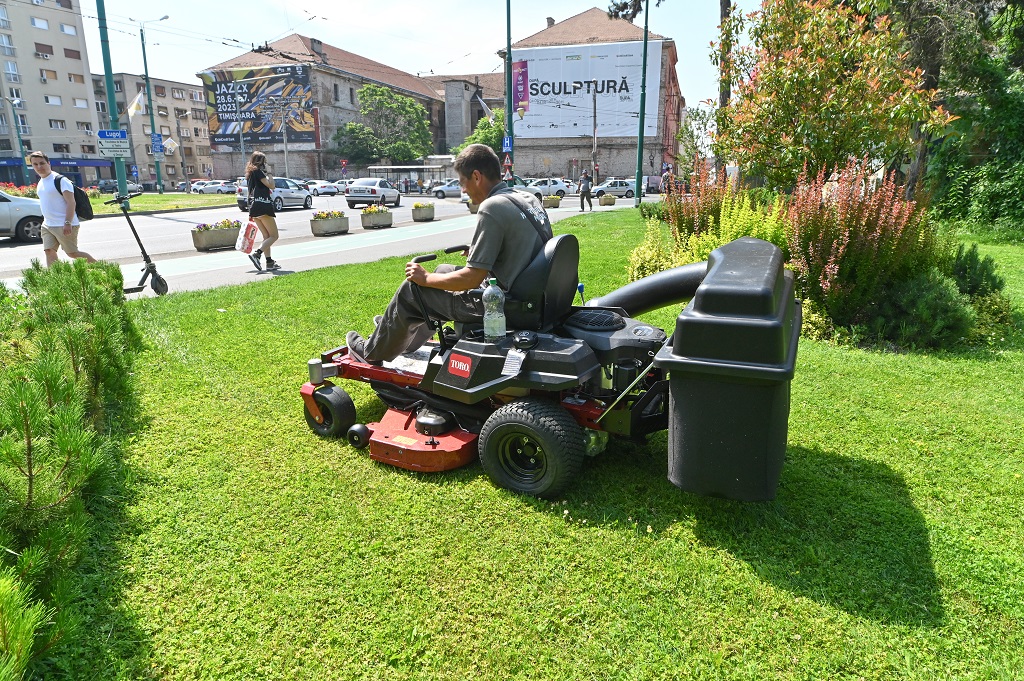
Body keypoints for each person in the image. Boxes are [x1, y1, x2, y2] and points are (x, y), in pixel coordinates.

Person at [346, 144, 552, 364]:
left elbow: (473, 278)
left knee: (412, 291)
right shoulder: (525, 198)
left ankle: (371, 353)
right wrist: (481, 252)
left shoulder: (492, 206)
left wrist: (424, 278)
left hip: (503, 307)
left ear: (476, 176)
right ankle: (408, 339)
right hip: (534, 299)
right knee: (443, 270)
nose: (463, 190)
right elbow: (523, 246)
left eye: (462, 182)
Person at [28, 151, 97, 267]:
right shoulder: (41, 181)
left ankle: (101, 268)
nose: (39, 167)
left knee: (73, 253)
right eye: (35, 164)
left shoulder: (60, 180)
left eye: (42, 163)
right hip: (47, 225)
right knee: (49, 251)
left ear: (48, 163)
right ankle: (54, 279)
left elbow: (71, 202)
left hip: (64, 224)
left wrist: (67, 222)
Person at [244, 151, 281, 271]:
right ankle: (257, 254)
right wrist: (269, 172)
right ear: (261, 162)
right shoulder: (258, 172)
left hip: (254, 208)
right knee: (274, 236)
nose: (266, 164)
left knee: (266, 236)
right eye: (265, 161)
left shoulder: (250, 174)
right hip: (263, 205)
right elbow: (271, 185)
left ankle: (269, 262)